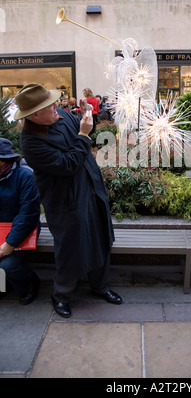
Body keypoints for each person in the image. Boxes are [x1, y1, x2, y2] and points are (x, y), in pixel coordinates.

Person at [14, 83, 122, 318]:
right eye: (48, 106)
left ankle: (101, 287)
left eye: (53, 102)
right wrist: (83, 134)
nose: (56, 106)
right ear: (33, 115)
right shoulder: (31, 142)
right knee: (69, 247)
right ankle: (61, 295)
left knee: (101, 237)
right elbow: (67, 164)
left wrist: (86, 122)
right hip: (65, 201)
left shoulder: (60, 115)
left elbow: (82, 140)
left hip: (91, 188)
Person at [0, 138, 40, 304]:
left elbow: (28, 214)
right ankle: (3, 287)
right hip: (1, 231)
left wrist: (10, 242)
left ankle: (29, 284)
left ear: (3, 161)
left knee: (7, 265)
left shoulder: (25, 176)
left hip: (23, 231)